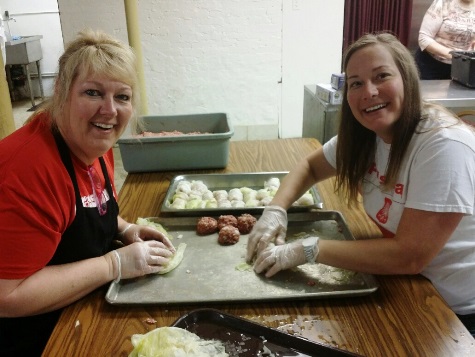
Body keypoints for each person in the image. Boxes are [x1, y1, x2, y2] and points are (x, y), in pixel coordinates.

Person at [247, 32, 475, 336]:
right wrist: (275, 209)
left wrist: (310, 249)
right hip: (405, 286)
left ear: (407, 78)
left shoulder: (442, 145)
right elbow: (309, 166)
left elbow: (410, 255)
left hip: (456, 311)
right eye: (355, 83)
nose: (368, 92)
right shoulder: (368, 134)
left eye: (381, 76)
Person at [0, 29, 176, 355]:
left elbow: (85, 201)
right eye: (93, 93)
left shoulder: (93, 142)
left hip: (75, 310)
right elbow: (6, 296)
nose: (109, 110)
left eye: (122, 97)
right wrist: (114, 265)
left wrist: (125, 229)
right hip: (31, 335)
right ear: (62, 92)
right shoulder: (28, 169)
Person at [415, 0, 475, 79]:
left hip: (464, 67)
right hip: (431, 65)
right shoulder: (443, 3)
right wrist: (455, 56)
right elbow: (424, 38)